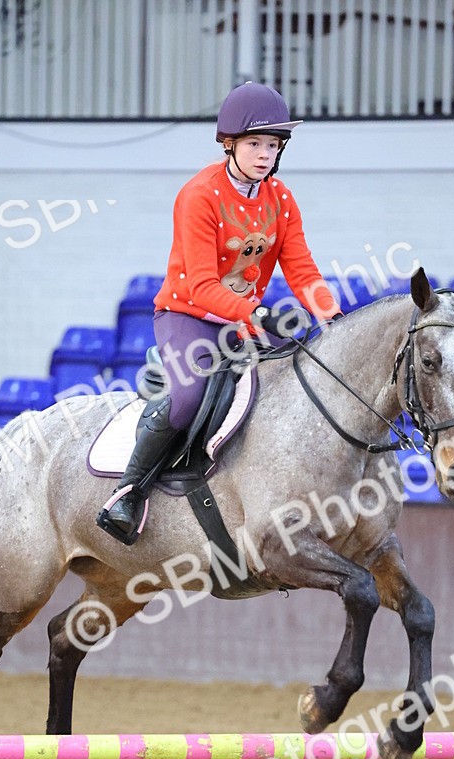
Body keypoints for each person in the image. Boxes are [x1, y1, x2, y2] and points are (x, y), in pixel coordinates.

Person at [96, 81, 342, 545]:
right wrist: (258, 312)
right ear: (229, 143)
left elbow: (303, 268)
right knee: (188, 399)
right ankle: (127, 492)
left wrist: (332, 315)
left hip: (244, 319)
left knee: (295, 382)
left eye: (273, 145)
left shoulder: (282, 200)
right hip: (188, 315)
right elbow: (204, 285)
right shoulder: (199, 196)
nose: (265, 154)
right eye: (255, 144)